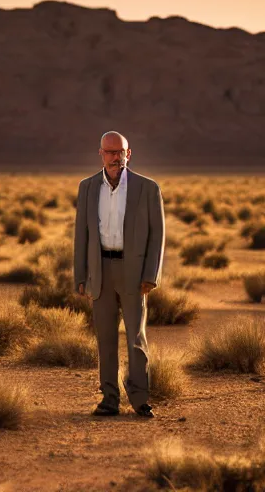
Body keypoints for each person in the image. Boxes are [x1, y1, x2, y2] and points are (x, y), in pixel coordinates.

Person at [73, 131, 165, 418]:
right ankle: (109, 399)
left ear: (129, 153)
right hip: (100, 271)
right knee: (106, 339)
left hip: (133, 273)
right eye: (109, 152)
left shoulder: (147, 188)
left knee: (136, 338)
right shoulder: (87, 188)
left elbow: (157, 235)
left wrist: (151, 275)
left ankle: (140, 399)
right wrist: (80, 275)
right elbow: (82, 235)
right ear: (100, 154)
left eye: (120, 152)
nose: (115, 157)